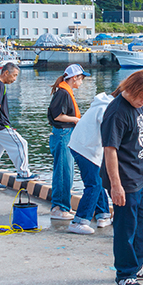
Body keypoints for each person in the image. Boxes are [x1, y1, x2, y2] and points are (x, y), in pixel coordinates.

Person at [101, 69, 143, 285]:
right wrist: (116, 185)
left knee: (141, 221)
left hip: (138, 175)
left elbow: (138, 139)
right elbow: (110, 151)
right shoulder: (116, 112)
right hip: (123, 178)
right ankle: (124, 274)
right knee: (126, 226)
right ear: (132, 89)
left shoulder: (138, 105)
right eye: (142, 97)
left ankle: (137, 265)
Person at [0, 62, 37, 190]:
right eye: (14, 75)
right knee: (22, 144)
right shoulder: (0, 85)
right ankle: (23, 173)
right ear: (6, 73)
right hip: (0, 125)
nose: (14, 79)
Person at [67, 91, 114, 234]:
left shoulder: (103, 104)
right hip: (85, 149)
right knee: (93, 184)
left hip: (81, 145)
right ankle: (79, 221)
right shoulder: (108, 108)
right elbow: (109, 135)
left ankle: (103, 215)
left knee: (97, 181)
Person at [48, 64, 88, 220]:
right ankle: (59, 207)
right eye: (81, 78)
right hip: (63, 134)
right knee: (63, 171)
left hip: (65, 134)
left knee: (67, 171)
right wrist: (76, 119)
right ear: (74, 78)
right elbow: (57, 116)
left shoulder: (64, 91)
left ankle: (64, 205)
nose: (82, 82)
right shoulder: (63, 93)